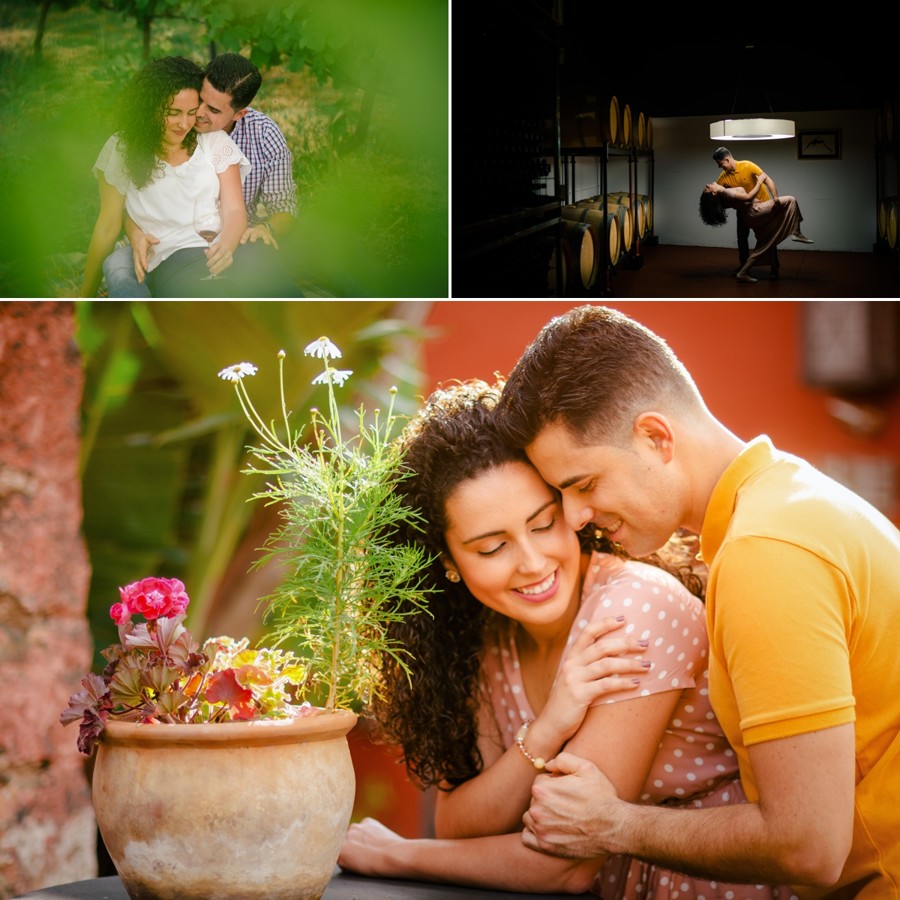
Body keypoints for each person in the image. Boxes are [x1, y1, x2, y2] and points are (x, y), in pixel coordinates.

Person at [491, 305, 900, 898]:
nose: (575, 517)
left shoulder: (768, 551)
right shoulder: (789, 502)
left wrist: (614, 824)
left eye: (584, 485)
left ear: (656, 437)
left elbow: (808, 843)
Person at [338, 379, 797, 898]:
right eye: (491, 548)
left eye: (543, 524)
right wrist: (547, 727)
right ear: (449, 563)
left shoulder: (633, 613)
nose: (532, 564)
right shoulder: (492, 633)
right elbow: (461, 824)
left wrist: (394, 852)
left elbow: (565, 865)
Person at [90, 52, 300, 297]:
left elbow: (243, 210)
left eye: (206, 109)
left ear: (238, 114)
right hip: (170, 253)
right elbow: (121, 214)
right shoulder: (126, 147)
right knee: (118, 269)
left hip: (229, 241)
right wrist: (134, 234)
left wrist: (236, 242)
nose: (193, 118)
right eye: (196, 102)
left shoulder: (234, 138)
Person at [700, 174, 814, 283]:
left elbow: (740, 201)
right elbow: (748, 197)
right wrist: (759, 182)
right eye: (707, 188)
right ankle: (796, 232)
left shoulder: (725, 194)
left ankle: (743, 272)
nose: (707, 184)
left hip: (751, 216)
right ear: (714, 193)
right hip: (755, 211)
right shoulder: (726, 193)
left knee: (764, 244)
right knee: (791, 200)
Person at [712, 147, 787, 279]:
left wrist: (775, 199)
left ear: (728, 160)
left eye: (720, 164)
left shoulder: (748, 165)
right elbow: (718, 194)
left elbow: (768, 180)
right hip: (744, 211)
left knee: (768, 239)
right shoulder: (723, 177)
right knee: (742, 238)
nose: (720, 167)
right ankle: (744, 266)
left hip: (762, 208)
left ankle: (775, 268)